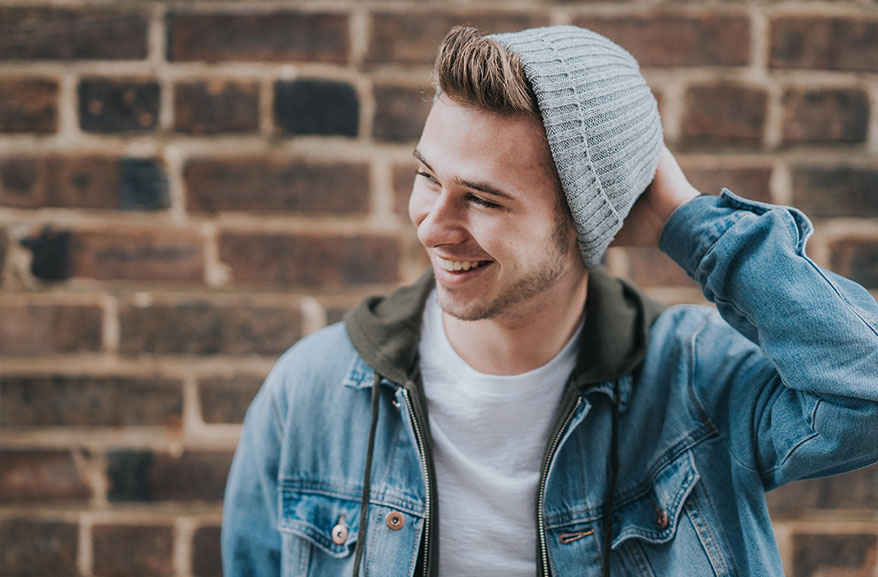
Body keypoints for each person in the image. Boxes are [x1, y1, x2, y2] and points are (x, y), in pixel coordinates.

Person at [221, 25, 878, 577]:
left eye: (481, 197)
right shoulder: (310, 393)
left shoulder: (695, 384)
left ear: (584, 221)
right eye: (427, 177)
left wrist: (687, 219)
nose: (430, 224)